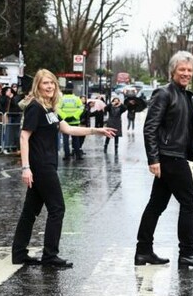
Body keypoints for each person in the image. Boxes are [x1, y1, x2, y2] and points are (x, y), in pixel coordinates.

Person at [12, 69, 116, 267]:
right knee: (57, 208)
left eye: (52, 83)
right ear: (38, 86)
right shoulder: (35, 107)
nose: (50, 86)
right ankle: (50, 255)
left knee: (30, 211)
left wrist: (96, 130)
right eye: (45, 83)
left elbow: (68, 129)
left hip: (47, 163)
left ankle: (19, 253)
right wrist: (26, 167)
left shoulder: (48, 109)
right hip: (41, 165)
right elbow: (24, 136)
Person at [135, 51, 193, 270]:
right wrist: (153, 159)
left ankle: (143, 251)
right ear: (173, 71)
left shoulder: (185, 96)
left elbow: (190, 130)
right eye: (182, 70)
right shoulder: (164, 94)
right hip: (170, 157)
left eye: (189, 70)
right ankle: (187, 253)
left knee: (156, 205)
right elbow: (150, 128)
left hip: (175, 156)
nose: (186, 73)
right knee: (190, 203)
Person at [57, 83, 84, 160]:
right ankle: (78, 155)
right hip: (74, 122)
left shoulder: (61, 99)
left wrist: (65, 117)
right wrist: (74, 116)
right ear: (73, 89)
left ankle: (67, 155)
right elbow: (81, 108)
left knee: (66, 140)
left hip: (65, 122)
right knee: (76, 139)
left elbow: (58, 109)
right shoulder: (77, 99)